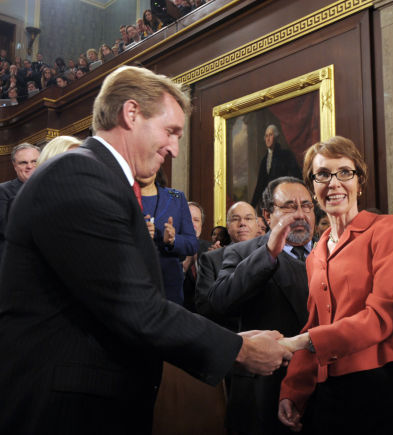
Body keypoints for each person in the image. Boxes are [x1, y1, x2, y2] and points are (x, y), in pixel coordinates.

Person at [0, 66, 291, 434]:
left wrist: (232, 342)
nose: (174, 149)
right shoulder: (77, 175)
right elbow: (134, 307)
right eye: (170, 131)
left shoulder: (100, 179)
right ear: (131, 113)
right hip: (64, 412)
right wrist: (239, 351)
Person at [278, 136, 393, 434]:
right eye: (322, 174)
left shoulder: (387, 229)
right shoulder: (316, 251)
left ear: (360, 181)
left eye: (344, 172)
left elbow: (382, 316)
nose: (333, 183)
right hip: (331, 393)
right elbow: (314, 322)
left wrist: (299, 342)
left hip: (385, 384)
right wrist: (293, 390)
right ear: (313, 186)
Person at [211, 177, 313, 435]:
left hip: (322, 391)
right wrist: (268, 253)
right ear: (267, 215)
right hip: (264, 392)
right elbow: (220, 302)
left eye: (307, 206)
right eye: (289, 207)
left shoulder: (333, 250)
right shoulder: (243, 253)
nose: (300, 214)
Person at [137, 168, 198, 305]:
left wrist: (173, 240)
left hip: (169, 288)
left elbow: (192, 244)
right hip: (133, 281)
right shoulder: (122, 195)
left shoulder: (176, 197)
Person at [195, 201, 259, 323]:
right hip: (228, 333)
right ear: (227, 226)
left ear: (257, 224)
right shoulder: (210, 259)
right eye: (236, 219)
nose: (242, 223)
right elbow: (204, 307)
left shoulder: (271, 255)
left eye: (248, 218)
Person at [0, 143, 40, 264]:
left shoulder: (52, 188)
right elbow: (6, 229)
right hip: (16, 263)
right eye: (23, 162)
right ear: (14, 166)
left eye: (34, 161)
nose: (30, 166)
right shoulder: (3, 191)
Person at [251, 124, 302, 207]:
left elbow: (296, 177)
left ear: (276, 137)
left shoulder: (286, 155)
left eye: (270, 135)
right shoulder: (264, 160)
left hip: (284, 199)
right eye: (266, 136)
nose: (268, 139)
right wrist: (252, 206)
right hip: (269, 202)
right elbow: (260, 185)